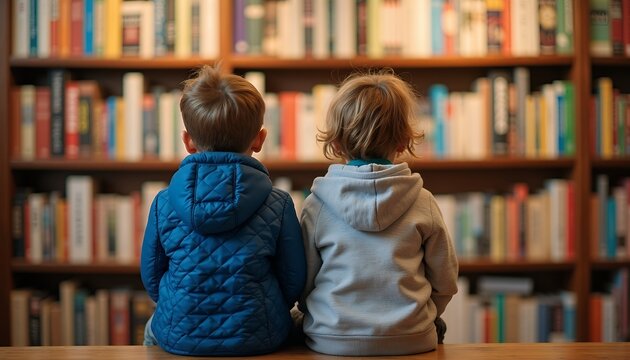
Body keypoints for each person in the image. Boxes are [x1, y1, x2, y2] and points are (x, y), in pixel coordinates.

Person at [140, 65, 306, 356]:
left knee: (150, 328)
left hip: (179, 335)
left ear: (188, 142)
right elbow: (293, 280)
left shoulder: (163, 203)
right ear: (259, 139)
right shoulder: (278, 203)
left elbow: (152, 279)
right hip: (258, 336)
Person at [298, 69, 459, 356]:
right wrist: (421, 317)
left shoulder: (317, 204)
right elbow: (445, 281)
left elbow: (304, 281)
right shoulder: (424, 201)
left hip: (332, 339)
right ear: (403, 141)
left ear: (334, 143)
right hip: (412, 337)